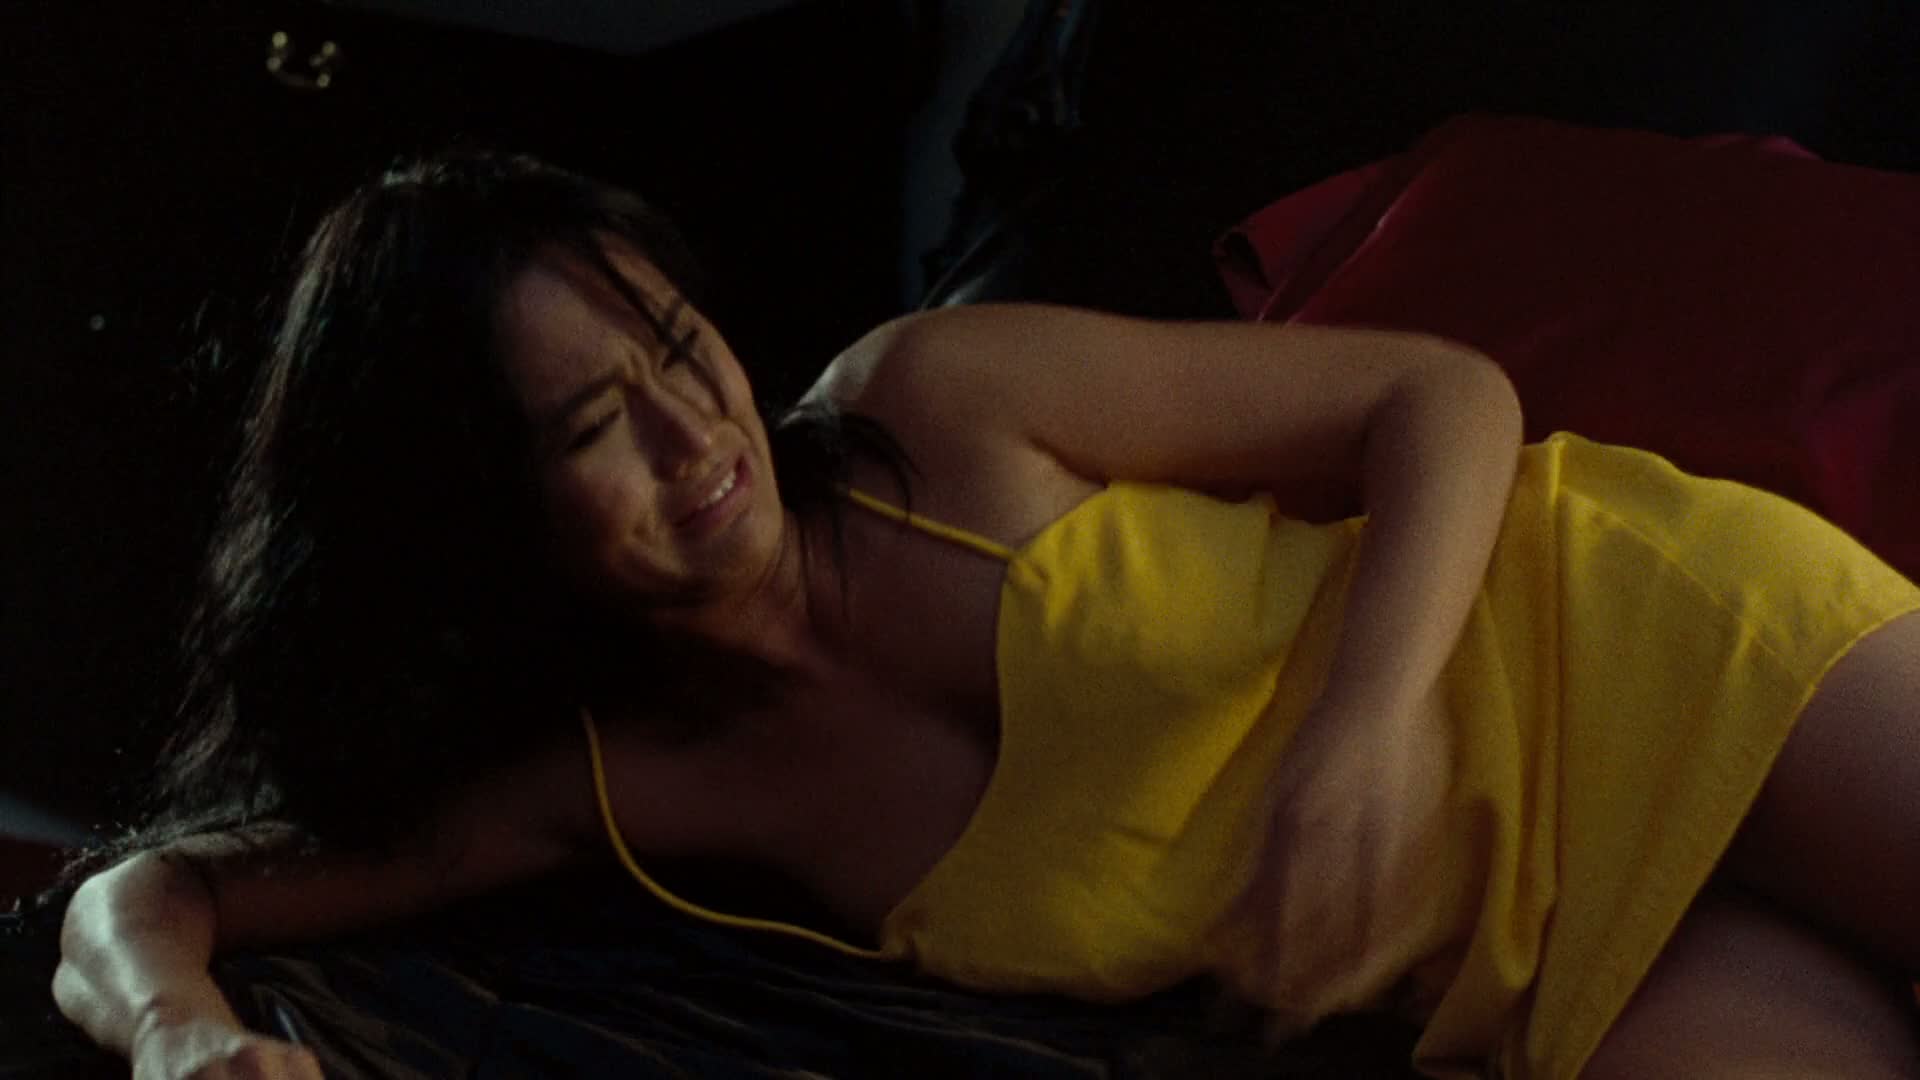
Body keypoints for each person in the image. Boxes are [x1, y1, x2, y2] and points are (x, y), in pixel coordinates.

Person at [50, 150, 1920, 1080]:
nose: (699, 438)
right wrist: (180, 1036)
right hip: (1542, 976)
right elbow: (142, 891)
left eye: (680, 347)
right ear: (479, 523)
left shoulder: (930, 408)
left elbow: (1441, 398)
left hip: (1648, 650)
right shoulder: (605, 788)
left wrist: (1362, 730)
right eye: (594, 428)